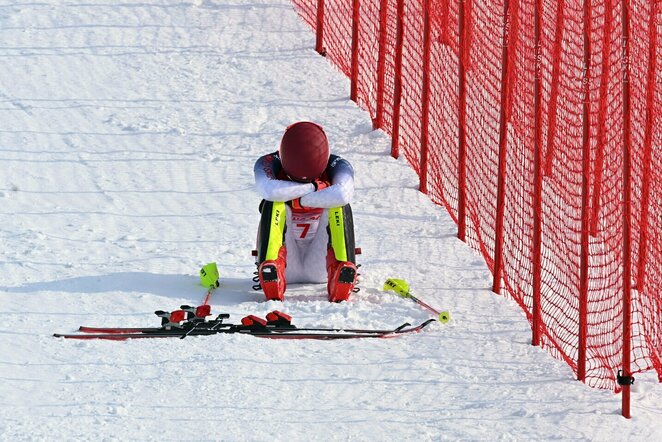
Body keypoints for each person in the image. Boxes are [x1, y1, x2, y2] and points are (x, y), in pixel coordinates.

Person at [253, 121, 358, 302]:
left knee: (339, 206)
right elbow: (270, 190)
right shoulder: (268, 162)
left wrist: (294, 196)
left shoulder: (338, 164)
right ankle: (271, 270)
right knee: (274, 203)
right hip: (286, 260)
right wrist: (316, 188)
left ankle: (341, 270)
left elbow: (342, 193)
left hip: (320, 262)